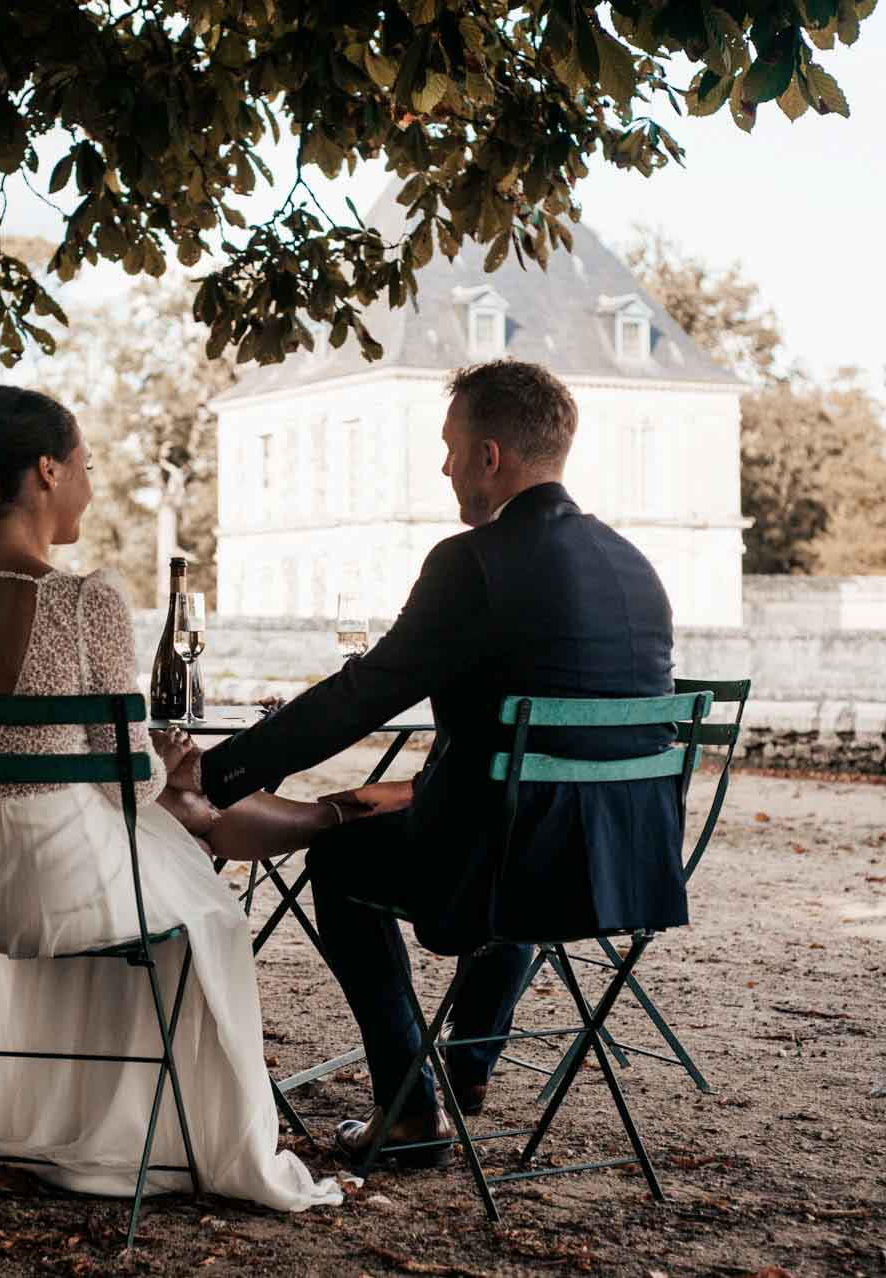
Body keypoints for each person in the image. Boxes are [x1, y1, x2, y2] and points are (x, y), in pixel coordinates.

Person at [191, 359, 684, 1165]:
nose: (445, 465)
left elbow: (362, 696)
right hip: (628, 861)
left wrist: (217, 775)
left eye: (452, 447)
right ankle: (470, 1064)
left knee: (342, 852)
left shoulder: (473, 561)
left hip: (513, 864)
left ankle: (411, 1111)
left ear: (490, 456)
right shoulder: (637, 567)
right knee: (496, 817)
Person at [0, 385, 342, 1212]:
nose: (90, 483)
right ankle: (169, 1135)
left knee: (154, 854)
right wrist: (168, 764)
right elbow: (129, 777)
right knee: (210, 917)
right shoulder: (82, 599)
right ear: (47, 471)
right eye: (86, 466)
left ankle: (18, 1114)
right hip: (53, 889)